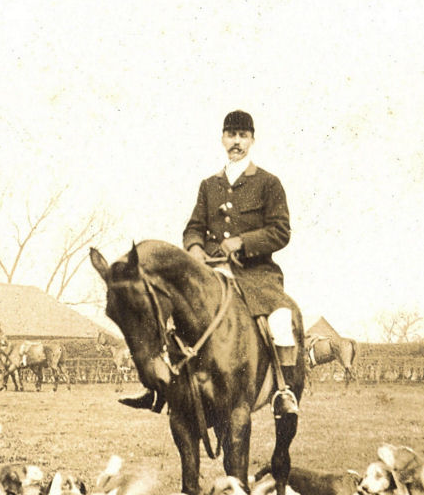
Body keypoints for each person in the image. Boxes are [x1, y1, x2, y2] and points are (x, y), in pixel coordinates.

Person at [120, 109, 299, 417]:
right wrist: (194, 248)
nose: (237, 142)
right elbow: (193, 226)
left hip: (255, 274)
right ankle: (159, 389)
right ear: (222, 139)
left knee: (282, 320)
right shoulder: (209, 185)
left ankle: (283, 391)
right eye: (232, 135)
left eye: (243, 136)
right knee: (171, 316)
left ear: (252, 140)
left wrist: (243, 242)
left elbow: (280, 231)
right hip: (209, 272)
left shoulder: (269, 183)